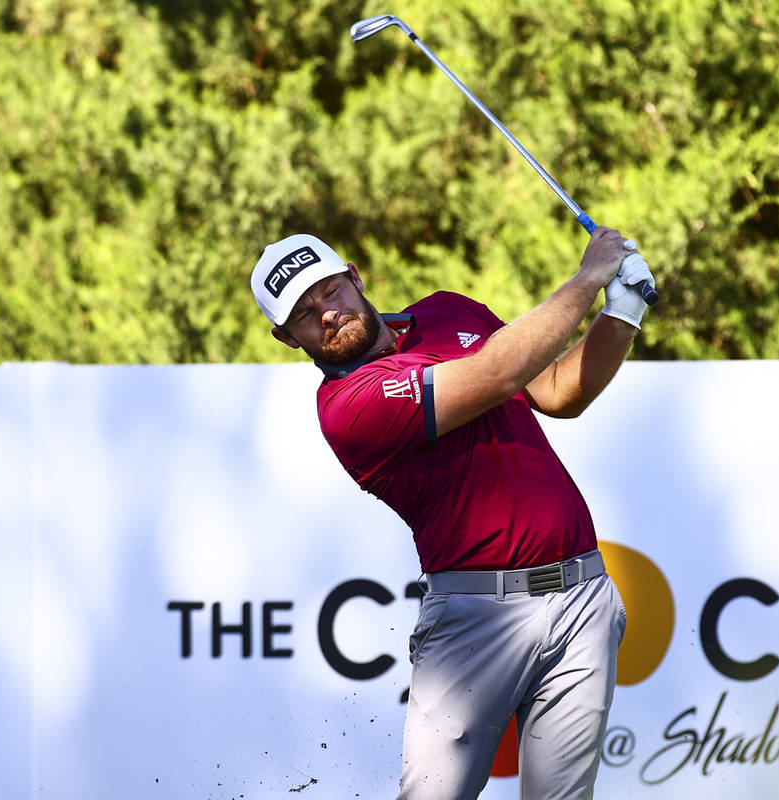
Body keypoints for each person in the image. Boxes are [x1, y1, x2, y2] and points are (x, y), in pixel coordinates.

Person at [250, 226, 655, 799]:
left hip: (581, 596)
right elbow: (498, 374)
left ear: (355, 277)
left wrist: (623, 311)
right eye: (303, 313)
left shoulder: (447, 312)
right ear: (286, 337)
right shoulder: (348, 407)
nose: (327, 313)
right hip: (475, 617)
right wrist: (590, 278)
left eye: (329, 290)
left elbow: (559, 390)